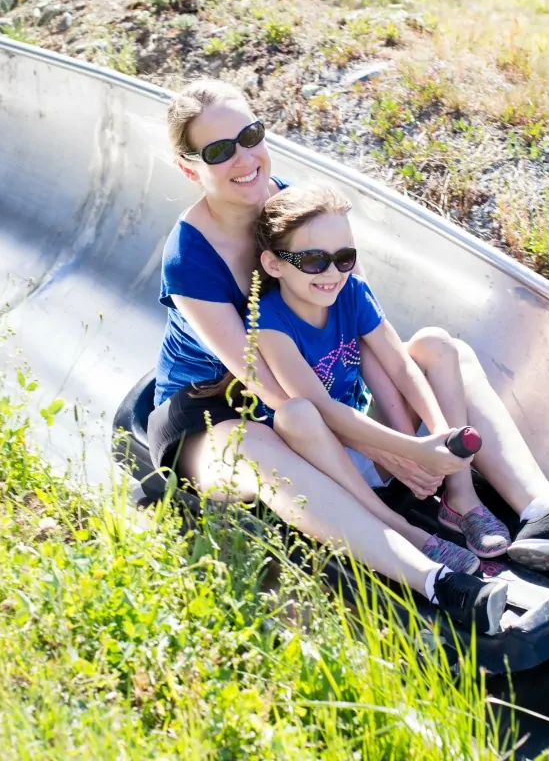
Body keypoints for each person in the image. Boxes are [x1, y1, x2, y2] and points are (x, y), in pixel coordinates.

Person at [131, 78, 509, 635]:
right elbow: (271, 391)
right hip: (216, 413)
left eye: (250, 135)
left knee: (439, 351)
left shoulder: (284, 202)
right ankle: (432, 576)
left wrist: (420, 428)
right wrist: (401, 451)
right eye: (218, 151)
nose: (243, 157)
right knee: (259, 442)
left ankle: (527, 507)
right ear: (191, 168)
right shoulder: (190, 258)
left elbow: (353, 307)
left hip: (310, 390)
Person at [252, 185, 549, 572]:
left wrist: (443, 442)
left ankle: (461, 497)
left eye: (344, 257)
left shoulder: (350, 291)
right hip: (329, 465)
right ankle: (401, 530)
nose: (332, 273)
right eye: (315, 261)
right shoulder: (270, 322)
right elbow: (326, 412)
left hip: (373, 438)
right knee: (297, 414)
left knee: (435, 343)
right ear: (274, 264)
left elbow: (400, 365)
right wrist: (413, 450)